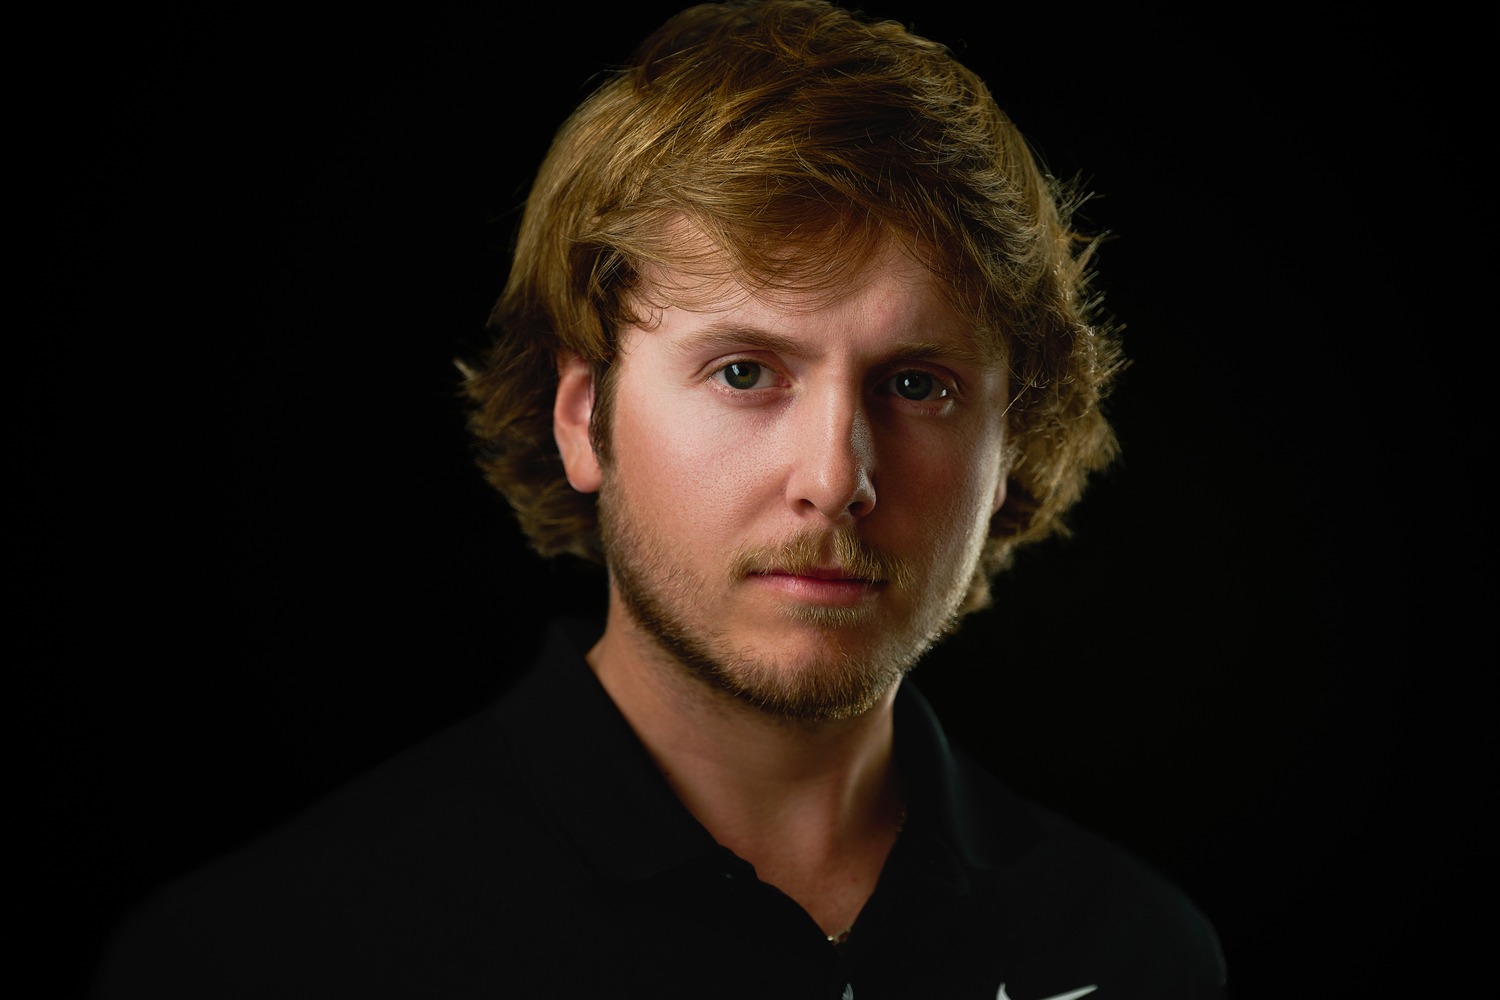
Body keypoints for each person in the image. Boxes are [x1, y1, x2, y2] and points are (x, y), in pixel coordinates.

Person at [94, 2, 1226, 997]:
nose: (835, 478)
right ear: (583, 417)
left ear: (1009, 445)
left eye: (917, 385)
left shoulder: (1136, 953)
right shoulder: (269, 956)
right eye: (744, 372)